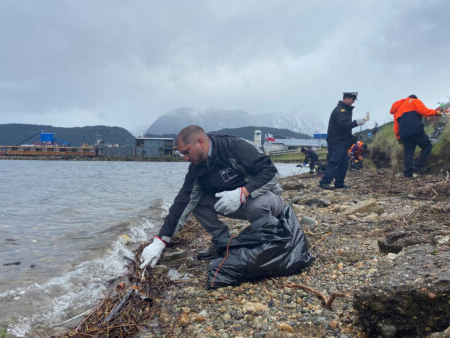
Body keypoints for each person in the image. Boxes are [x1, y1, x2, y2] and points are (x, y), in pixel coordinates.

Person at [139, 125, 284, 269]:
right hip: (236, 204)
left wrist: (243, 192)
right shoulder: (197, 167)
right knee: (197, 202)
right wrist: (160, 241)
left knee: (257, 206)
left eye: (187, 152)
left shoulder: (234, 147)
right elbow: (183, 202)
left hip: (269, 200)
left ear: (200, 142)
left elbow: (271, 173)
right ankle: (224, 243)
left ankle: (267, 244)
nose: (185, 158)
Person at [319, 92, 368, 190]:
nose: (353, 101)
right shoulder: (341, 110)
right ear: (346, 98)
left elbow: (345, 129)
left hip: (342, 141)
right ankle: (324, 182)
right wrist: (356, 123)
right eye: (352, 99)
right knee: (335, 161)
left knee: (343, 163)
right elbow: (343, 126)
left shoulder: (345, 110)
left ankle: (339, 183)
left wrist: (351, 138)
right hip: (337, 141)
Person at [390, 95, 442, 178]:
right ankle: (417, 166)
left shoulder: (398, 110)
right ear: (414, 98)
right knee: (427, 146)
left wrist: (399, 139)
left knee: (408, 153)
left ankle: (408, 174)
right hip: (416, 129)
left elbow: (396, 127)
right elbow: (424, 112)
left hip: (404, 134)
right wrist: (436, 112)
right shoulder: (414, 101)